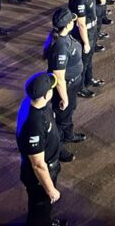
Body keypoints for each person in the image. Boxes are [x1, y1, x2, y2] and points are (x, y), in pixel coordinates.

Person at [16, 73, 67, 226]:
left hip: (48, 167)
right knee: (41, 207)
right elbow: (38, 165)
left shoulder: (33, 104)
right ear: (46, 95)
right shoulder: (34, 124)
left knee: (43, 209)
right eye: (51, 88)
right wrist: (51, 189)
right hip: (39, 176)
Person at [43, 9, 87, 153]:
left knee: (68, 113)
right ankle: (58, 148)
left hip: (72, 83)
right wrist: (64, 97)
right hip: (65, 87)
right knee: (61, 118)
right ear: (67, 25)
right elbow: (59, 77)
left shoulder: (63, 37)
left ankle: (69, 135)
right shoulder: (60, 46)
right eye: (72, 21)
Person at [69, 0, 105, 99]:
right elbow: (81, 23)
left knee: (89, 59)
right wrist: (85, 42)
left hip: (92, 29)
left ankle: (89, 79)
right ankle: (80, 87)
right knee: (84, 62)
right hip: (86, 32)